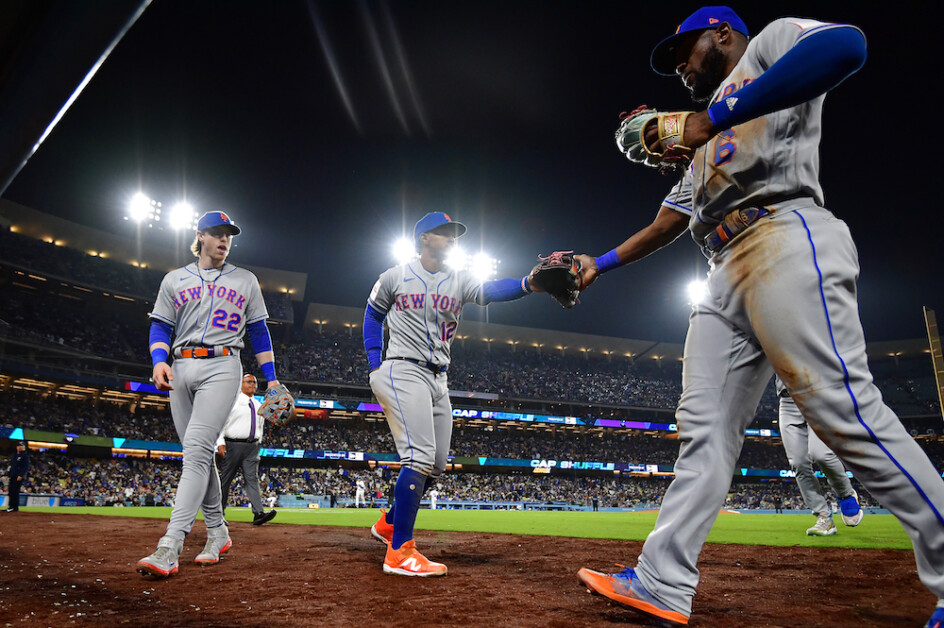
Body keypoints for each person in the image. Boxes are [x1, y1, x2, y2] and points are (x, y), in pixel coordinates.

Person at [572, 7, 944, 626]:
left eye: (685, 51)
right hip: (719, 269)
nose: (682, 67)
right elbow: (666, 225)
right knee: (704, 429)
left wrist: (705, 119)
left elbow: (847, 47)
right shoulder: (704, 142)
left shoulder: (768, 47)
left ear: (721, 33)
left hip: (784, 232)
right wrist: (597, 265)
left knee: (842, 411)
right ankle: (663, 581)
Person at [365, 211, 538, 577]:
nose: (452, 239)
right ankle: (399, 552)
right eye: (445, 233)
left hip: (439, 378)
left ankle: (388, 525)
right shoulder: (395, 276)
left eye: (454, 234)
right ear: (424, 238)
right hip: (402, 366)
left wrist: (528, 283)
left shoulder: (458, 279)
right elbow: (372, 315)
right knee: (420, 455)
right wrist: (374, 362)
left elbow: (491, 290)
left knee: (437, 465)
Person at [137, 210, 284, 578]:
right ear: (200, 235)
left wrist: (273, 380)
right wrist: (158, 361)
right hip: (180, 366)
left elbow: (259, 332)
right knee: (198, 455)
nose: (224, 239)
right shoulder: (174, 279)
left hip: (223, 364)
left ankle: (170, 545)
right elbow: (160, 326)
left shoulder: (245, 280)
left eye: (229, 235)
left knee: (197, 451)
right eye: (217, 233)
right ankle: (217, 532)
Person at [777, 379, 863, 536]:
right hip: (788, 400)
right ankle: (824, 517)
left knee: (821, 454)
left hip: (819, 393)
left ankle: (846, 494)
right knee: (798, 463)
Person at [217, 373, 277, 526]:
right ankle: (218, 515)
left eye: (255, 382)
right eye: (249, 382)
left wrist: (259, 440)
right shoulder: (233, 402)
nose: (252, 385)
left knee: (252, 479)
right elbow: (220, 423)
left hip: (252, 447)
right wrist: (220, 442)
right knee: (225, 480)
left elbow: (260, 425)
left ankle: (258, 513)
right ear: (241, 384)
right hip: (233, 444)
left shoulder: (257, 405)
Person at [4, 441, 29, 512]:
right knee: (11, 491)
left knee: (15, 491)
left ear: (24, 447)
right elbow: (12, 466)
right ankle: (11, 506)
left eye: (20, 446)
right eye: (18, 446)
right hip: (13, 475)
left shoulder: (24, 456)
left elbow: (25, 467)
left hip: (18, 476)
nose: (19, 447)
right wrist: (8, 474)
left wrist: (21, 475)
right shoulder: (14, 455)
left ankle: (14, 507)